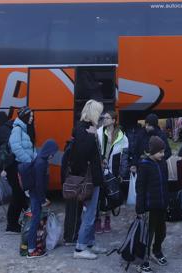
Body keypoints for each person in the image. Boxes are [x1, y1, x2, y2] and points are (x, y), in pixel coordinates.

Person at [71, 99, 106, 260]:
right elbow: (81, 155)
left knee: (93, 212)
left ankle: (90, 243)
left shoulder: (87, 128)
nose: (101, 116)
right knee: (90, 214)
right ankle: (80, 247)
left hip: (94, 177)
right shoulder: (83, 130)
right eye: (99, 112)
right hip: (89, 179)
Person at [136, 136, 170, 272]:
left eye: (163, 151)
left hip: (161, 205)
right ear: (152, 151)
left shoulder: (163, 163)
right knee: (147, 235)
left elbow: (165, 184)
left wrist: (167, 201)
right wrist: (140, 207)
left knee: (161, 231)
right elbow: (140, 187)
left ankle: (157, 251)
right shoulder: (144, 165)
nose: (163, 154)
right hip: (150, 207)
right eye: (160, 152)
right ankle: (143, 260)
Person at [25, 139, 59, 258]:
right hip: (36, 195)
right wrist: (43, 199)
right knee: (35, 221)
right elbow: (39, 184)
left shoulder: (39, 159)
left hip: (34, 194)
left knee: (35, 219)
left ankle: (33, 246)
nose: (53, 155)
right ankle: (31, 249)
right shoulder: (41, 163)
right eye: (53, 152)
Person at [96, 109, 129, 234]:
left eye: (107, 118)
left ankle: (108, 220)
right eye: (104, 118)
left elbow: (125, 157)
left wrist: (122, 173)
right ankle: (98, 221)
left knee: (111, 195)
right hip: (100, 170)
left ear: (114, 121)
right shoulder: (99, 133)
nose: (105, 120)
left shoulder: (122, 136)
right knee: (100, 196)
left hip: (113, 171)